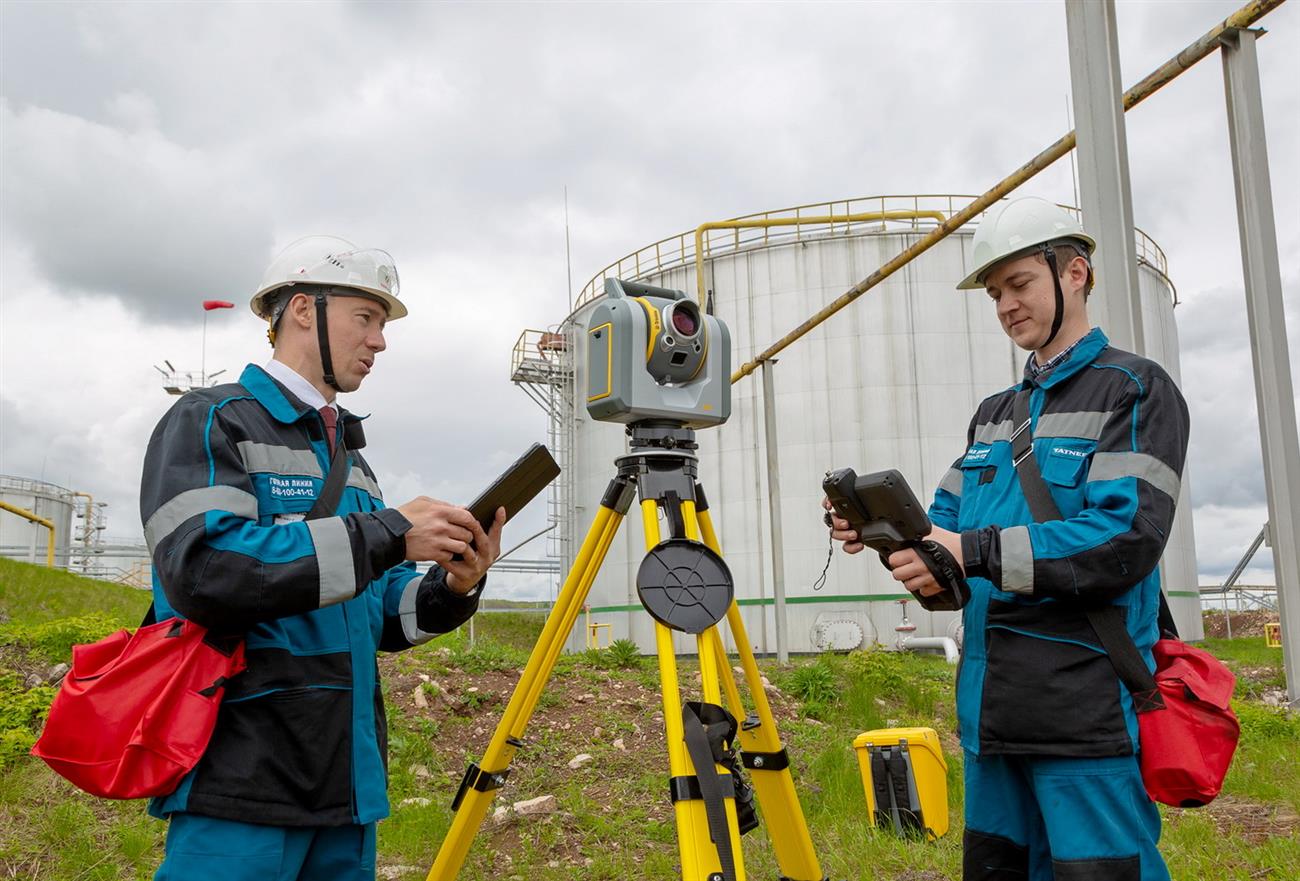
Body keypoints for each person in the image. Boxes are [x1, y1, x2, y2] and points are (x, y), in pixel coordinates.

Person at [827, 197, 1188, 881]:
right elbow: (944, 540)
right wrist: (885, 535)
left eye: (1018, 283)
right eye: (995, 293)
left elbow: (1124, 539)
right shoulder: (994, 416)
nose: (1005, 305)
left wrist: (972, 551)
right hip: (989, 718)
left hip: (1082, 715)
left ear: (1074, 273)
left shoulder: (1133, 389)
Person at [139, 236, 506, 880]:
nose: (380, 341)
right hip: (241, 779)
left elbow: (385, 616)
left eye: (383, 324)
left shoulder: (351, 462)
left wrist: (454, 585)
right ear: (304, 309)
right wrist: (387, 534)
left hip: (345, 786)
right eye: (366, 318)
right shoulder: (213, 420)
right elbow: (205, 571)